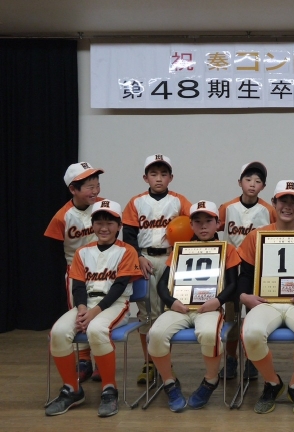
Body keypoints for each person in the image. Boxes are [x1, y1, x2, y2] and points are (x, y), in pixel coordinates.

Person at [237, 180, 294, 416]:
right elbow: (245, 274)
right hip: (266, 302)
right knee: (250, 333)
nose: (287, 206)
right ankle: (272, 383)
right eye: (283, 200)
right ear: (274, 202)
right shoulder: (256, 236)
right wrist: (244, 296)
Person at [45, 200, 143, 417]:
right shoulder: (82, 252)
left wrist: (94, 313)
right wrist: (82, 309)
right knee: (58, 332)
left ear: (119, 226)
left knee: (96, 330)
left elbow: (119, 287)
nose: (104, 227)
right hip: (86, 304)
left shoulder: (127, 251)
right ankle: (72, 389)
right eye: (99, 222)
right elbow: (78, 286)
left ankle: (109, 389)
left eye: (110, 222)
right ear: (92, 225)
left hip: (115, 304)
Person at [148, 200, 240, 412]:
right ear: (190, 225)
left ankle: (211, 379)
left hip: (209, 307)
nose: (203, 226)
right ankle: (169, 382)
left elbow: (233, 284)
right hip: (180, 307)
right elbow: (162, 284)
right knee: (156, 334)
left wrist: (217, 301)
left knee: (209, 334)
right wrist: (172, 302)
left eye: (208, 221)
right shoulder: (180, 249)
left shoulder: (227, 249)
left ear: (218, 223)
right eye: (197, 222)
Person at [122, 154, 191, 385]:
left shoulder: (180, 201)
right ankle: (149, 362)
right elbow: (129, 235)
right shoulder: (136, 202)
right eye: (153, 174)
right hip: (146, 259)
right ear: (145, 178)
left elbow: (194, 227)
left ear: (171, 177)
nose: (158, 178)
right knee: (147, 314)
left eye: (163, 174)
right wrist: (138, 257)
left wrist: (179, 256)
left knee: (167, 315)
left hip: (171, 259)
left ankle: (165, 363)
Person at [44, 161, 104, 383]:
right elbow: (53, 249)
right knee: (79, 315)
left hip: (104, 268)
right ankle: (84, 359)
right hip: (76, 271)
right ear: (73, 189)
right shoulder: (62, 216)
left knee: (101, 315)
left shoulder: (102, 206)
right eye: (89, 187)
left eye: (97, 185)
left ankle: (100, 360)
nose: (95, 191)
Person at [217, 161, 276, 381]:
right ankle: (231, 358)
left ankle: (253, 360)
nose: (252, 184)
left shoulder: (269, 210)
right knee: (232, 316)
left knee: (254, 317)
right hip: (232, 269)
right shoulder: (227, 207)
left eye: (258, 181)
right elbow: (212, 230)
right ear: (239, 182)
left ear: (263, 186)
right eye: (248, 179)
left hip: (257, 270)